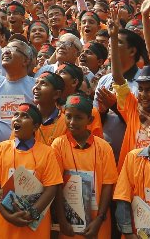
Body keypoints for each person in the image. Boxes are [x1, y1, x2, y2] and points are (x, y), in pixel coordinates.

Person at [0, 102, 62, 238]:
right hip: (3, 224)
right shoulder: (1, 149)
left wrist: (31, 213)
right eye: (16, 115)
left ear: (36, 126)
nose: (17, 118)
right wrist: (7, 215)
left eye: (25, 116)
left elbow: (51, 189)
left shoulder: (47, 153)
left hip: (33, 227)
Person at [50, 94, 117, 237]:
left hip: (97, 221)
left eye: (79, 117)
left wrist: (99, 219)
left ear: (90, 120)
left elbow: (108, 185)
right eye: (68, 116)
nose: (72, 122)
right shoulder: (58, 145)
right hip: (68, 220)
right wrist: (62, 220)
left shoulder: (104, 147)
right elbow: (55, 184)